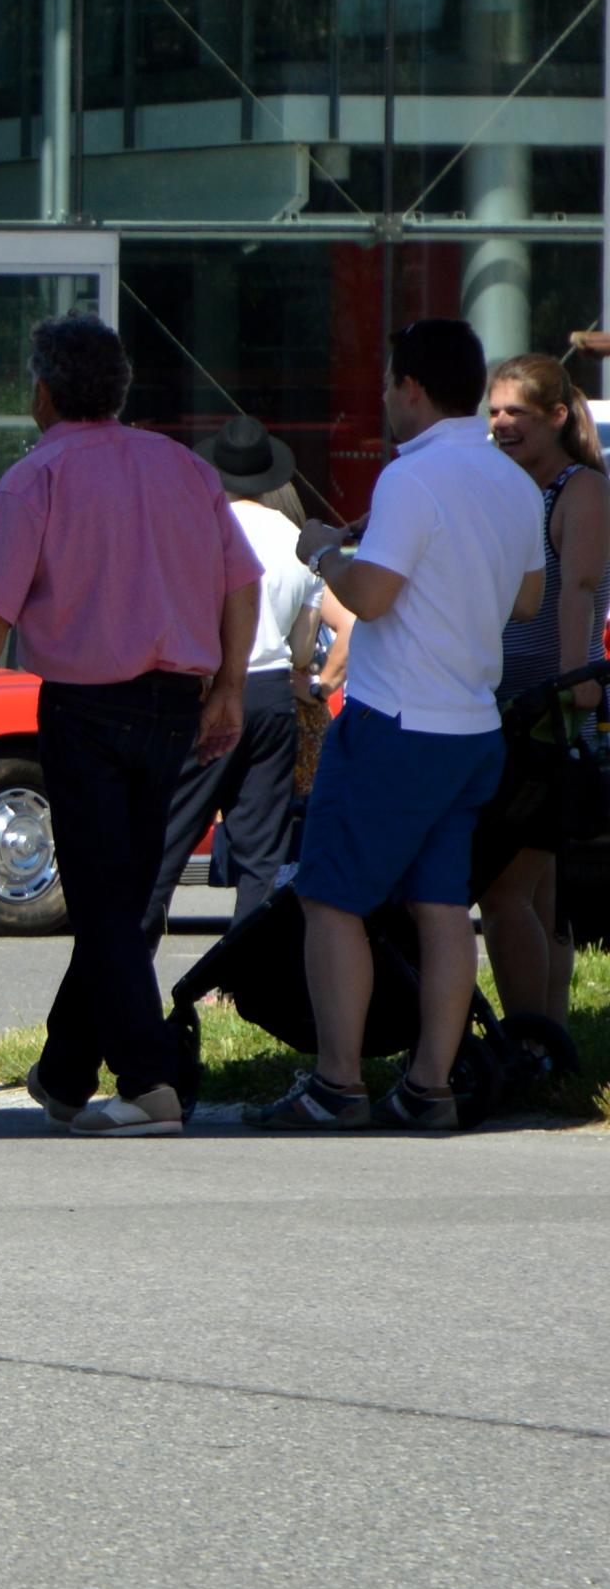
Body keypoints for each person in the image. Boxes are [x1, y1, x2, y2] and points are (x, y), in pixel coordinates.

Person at [0, 315, 258, 1135]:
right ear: (118, 391)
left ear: (43, 393)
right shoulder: (185, 468)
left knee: (102, 901)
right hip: (174, 701)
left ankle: (149, 1081)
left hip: (86, 703)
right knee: (119, 895)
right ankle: (63, 1071)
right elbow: (242, 580)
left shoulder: (35, 478)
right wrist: (230, 684)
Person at [250, 321, 542, 1132]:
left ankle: (337, 1083)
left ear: (412, 386)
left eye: (387, 383)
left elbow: (370, 599)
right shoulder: (514, 478)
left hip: (397, 719)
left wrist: (322, 552)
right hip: (472, 724)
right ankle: (428, 1084)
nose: (383, 397)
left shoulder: (410, 477)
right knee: (441, 906)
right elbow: (526, 600)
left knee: (330, 896)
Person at [136, 416, 326, 942]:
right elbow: (304, 647)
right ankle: (248, 974)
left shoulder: (200, 525)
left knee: (168, 837)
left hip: (207, 689)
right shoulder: (297, 538)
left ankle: (131, 963)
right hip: (273, 694)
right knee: (262, 854)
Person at [474, 352, 605, 1103]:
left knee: (504, 890)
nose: (501, 424)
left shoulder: (580, 488)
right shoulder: (507, 485)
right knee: (539, 890)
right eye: (493, 411)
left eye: (516, 412)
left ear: (557, 416)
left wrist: (569, 685)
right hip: (503, 702)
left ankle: (530, 1048)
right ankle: (553, 1044)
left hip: (545, 710)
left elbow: (579, 589)